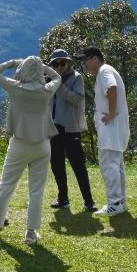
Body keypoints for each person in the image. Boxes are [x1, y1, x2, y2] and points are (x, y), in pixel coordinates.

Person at [0, 56, 61, 245]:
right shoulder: (46, 90)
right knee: (36, 190)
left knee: (6, 186)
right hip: (42, 144)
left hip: (19, 143)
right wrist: (42, 67)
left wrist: (13, 63)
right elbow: (58, 77)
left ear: (23, 71)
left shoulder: (15, 87)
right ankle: (31, 233)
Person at [75, 46, 129, 216]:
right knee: (116, 164)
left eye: (86, 60)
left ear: (96, 58)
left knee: (109, 165)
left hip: (110, 127)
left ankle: (114, 203)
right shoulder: (107, 70)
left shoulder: (104, 71)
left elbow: (111, 88)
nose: (84, 64)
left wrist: (111, 112)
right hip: (115, 127)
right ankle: (120, 202)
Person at [47, 48, 96, 212]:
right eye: (56, 64)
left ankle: (89, 201)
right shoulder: (50, 79)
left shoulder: (76, 78)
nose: (59, 66)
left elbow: (78, 99)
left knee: (78, 165)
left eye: (62, 63)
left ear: (68, 63)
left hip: (70, 128)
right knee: (56, 164)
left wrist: (60, 86)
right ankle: (63, 199)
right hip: (54, 128)